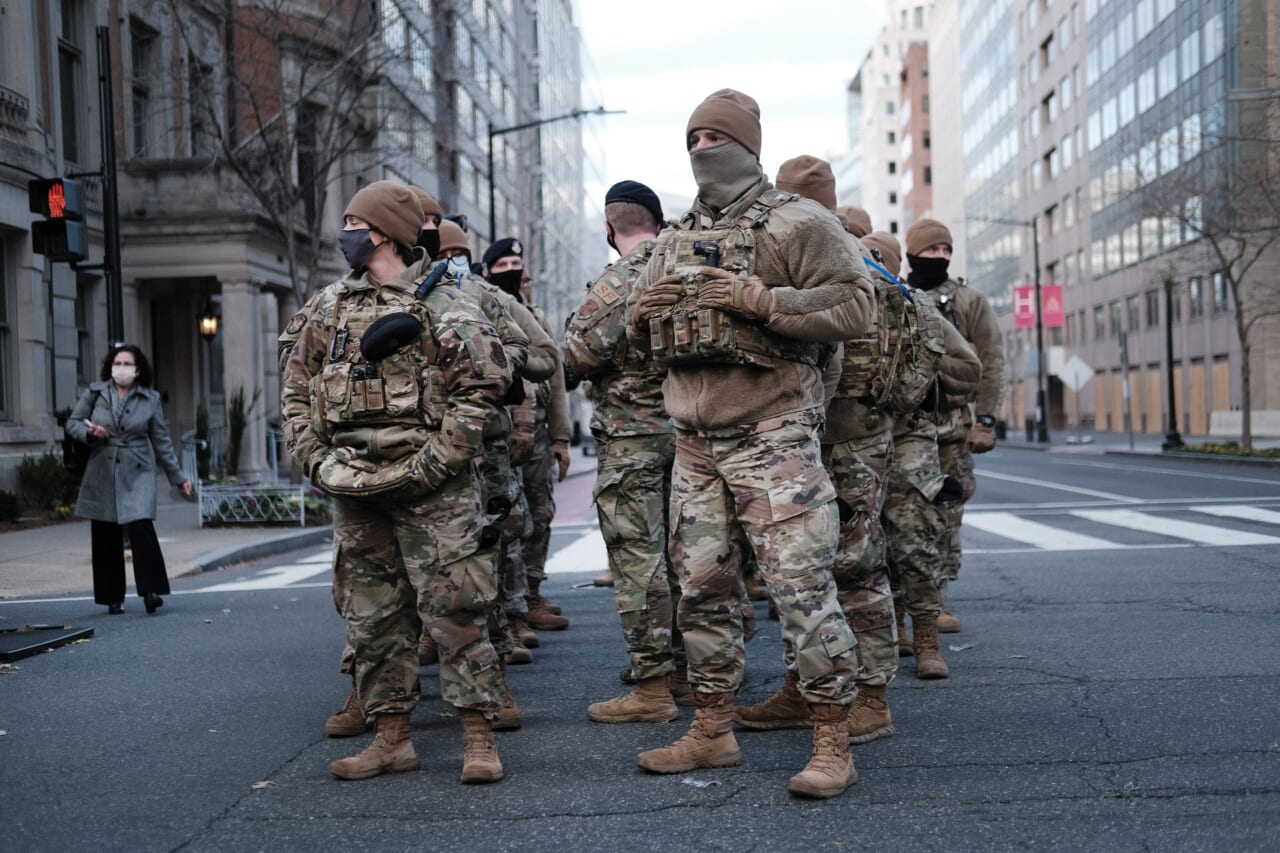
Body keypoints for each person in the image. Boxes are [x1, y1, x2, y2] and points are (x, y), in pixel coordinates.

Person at [627, 89, 877, 799]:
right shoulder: (672, 238)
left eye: (716, 136)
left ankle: (833, 733)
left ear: (748, 145)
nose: (703, 148)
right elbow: (638, 342)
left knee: (800, 585)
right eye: (693, 137)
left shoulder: (800, 223)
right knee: (701, 588)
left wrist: (763, 300)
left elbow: (856, 305)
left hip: (773, 433)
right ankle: (712, 727)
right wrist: (643, 316)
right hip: (695, 441)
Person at [281, 180, 510, 784]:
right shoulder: (328, 309)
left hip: (433, 489)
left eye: (355, 222)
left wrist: (435, 464)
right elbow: (297, 393)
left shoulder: (445, 305)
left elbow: (479, 394)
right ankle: (391, 737)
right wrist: (317, 460)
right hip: (355, 488)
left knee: (457, 613)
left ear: (383, 233)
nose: (346, 233)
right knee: (372, 619)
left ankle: (479, 738)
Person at [734, 157, 899, 743]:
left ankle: (872, 698)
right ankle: (803, 690)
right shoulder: (798, 256)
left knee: (854, 565)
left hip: (846, 439)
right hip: (802, 439)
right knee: (798, 573)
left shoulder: (855, 270)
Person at [564, 180, 690, 723]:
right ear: (659, 225)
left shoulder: (617, 282)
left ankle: (653, 686)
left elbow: (578, 354)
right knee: (692, 557)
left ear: (611, 230)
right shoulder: (689, 272)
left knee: (639, 561)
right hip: (693, 436)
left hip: (634, 440)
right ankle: (689, 670)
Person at [903, 219, 1004, 633]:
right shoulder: (896, 293)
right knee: (901, 516)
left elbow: (991, 360)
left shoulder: (969, 300)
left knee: (946, 514)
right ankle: (896, 607)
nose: (940, 257)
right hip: (903, 425)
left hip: (952, 428)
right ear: (913, 254)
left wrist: (985, 419)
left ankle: (937, 600)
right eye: (931, 250)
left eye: (946, 250)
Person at [483, 239, 571, 631]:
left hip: (535, 434)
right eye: (502, 263)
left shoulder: (533, 315)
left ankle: (531, 593)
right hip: (499, 433)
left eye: (516, 261)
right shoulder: (484, 307)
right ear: (488, 271)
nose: (512, 268)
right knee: (506, 522)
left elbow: (554, 376)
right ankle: (507, 608)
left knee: (540, 514)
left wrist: (560, 438)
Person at [66, 344, 193, 615]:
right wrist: (91, 434)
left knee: (141, 527)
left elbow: (161, 441)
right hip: (102, 467)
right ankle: (112, 597)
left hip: (138, 469)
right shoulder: (95, 393)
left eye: (126, 364)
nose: (120, 368)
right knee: (105, 532)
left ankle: (151, 591)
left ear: (137, 371)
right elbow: (73, 423)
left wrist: (178, 477)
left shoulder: (150, 399)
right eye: (117, 363)